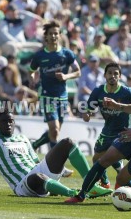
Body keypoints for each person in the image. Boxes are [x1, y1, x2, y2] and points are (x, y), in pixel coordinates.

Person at [65, 54, 131, 203]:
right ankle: (80, 196)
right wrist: (119, 106)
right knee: (102, 160)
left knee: (121, 178)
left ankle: (126, 193)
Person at [0, 108, 113, 198]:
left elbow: (36, 162)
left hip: (37, 170)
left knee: (68, 142)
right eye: (4, 121)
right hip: (22, 184)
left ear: (15, 122)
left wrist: (63, 170)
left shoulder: (22, 138)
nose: (8, 124)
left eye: (11, 121)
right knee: (38, 177)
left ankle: (90, 185)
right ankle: (73, 193)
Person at [29, 20, 81, 172]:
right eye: (50, 33)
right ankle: (57, 165)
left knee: (54, 132)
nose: (53, 36)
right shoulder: (40, 55)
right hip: (47, 96)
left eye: (56, 33)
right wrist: (33, 77)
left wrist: (66, 76)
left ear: (59, 35)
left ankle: (35, 145)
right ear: (46, 36)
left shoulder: (67, 54)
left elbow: (78, 71)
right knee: (55, 130)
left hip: (62, 97)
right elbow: (31, 70)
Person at [82, 62, 131, 189]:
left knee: (111, 158)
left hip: (123, 132)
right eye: (110, 73)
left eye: (116, 73)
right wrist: (87, 114)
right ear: (104, 75)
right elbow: (89, 108)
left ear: (120, 76)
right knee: (96, 159)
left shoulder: (128, 92)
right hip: (107, 130)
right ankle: (106, 182)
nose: (112, 76)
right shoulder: (98, 92)